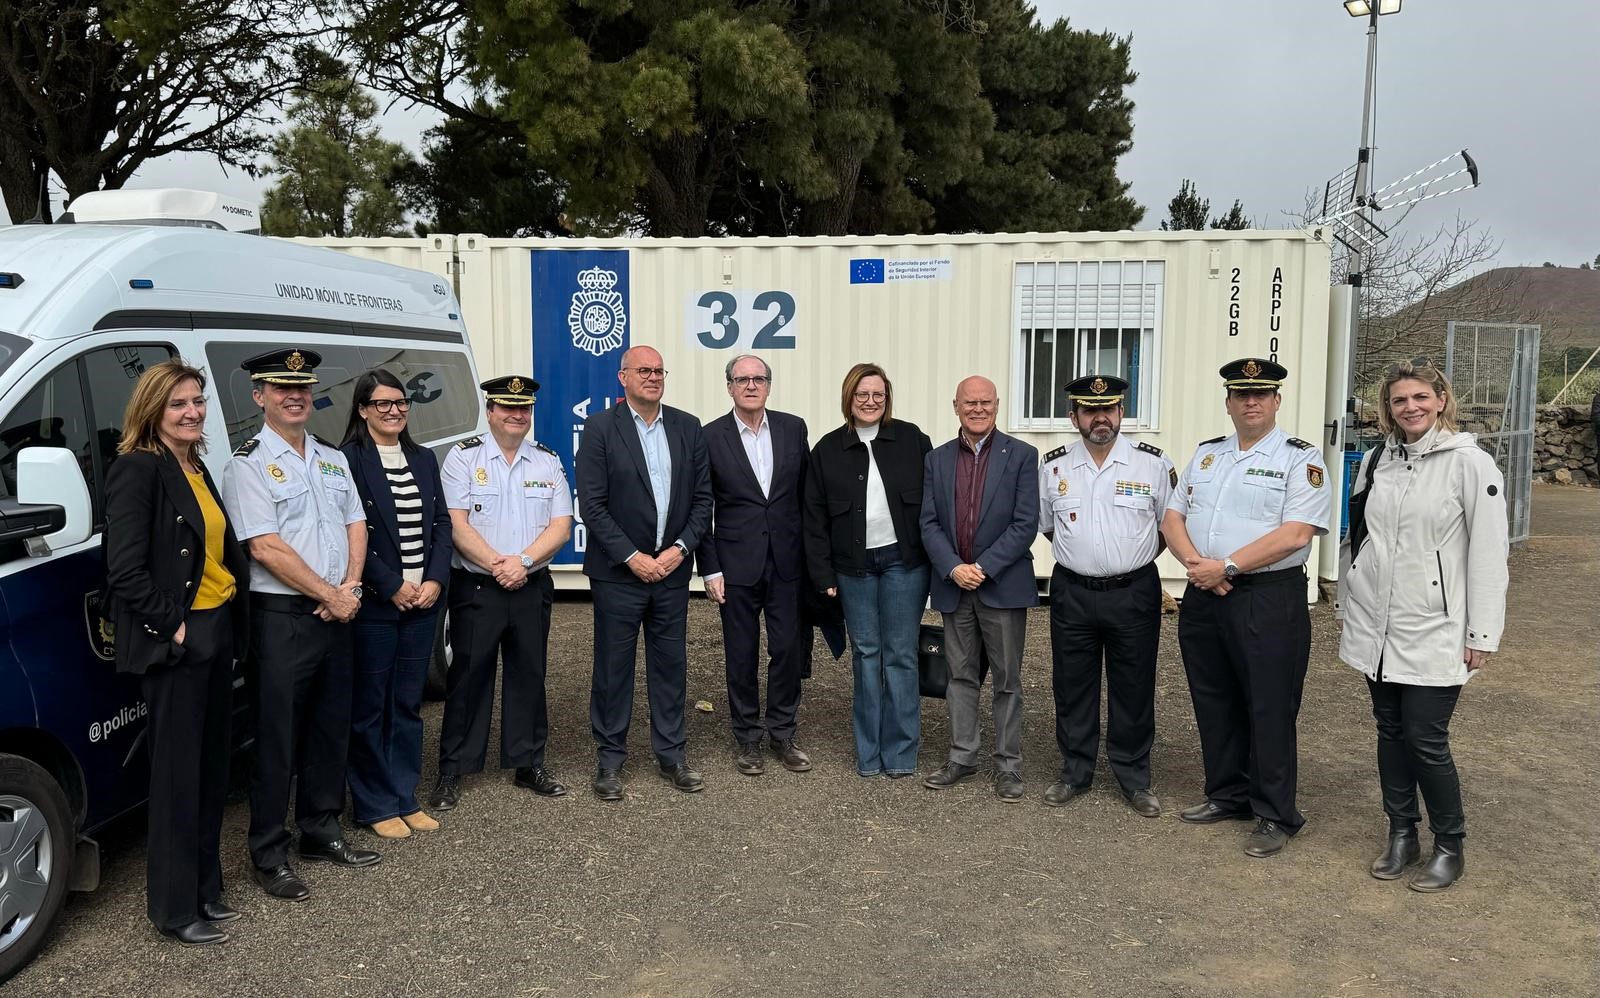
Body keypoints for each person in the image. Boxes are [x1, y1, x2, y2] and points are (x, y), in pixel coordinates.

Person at [1336, 359, 1508, 892]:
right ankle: (1401, 834)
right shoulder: (1376, 460)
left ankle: (1449, 844)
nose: (1409, 407)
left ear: (1440, 399)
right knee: (1389, 731)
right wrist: (1350, 596)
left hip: (1435, 625)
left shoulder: (1470, 464)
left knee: (1426, 738)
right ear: (1387, 409)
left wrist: (1482, 632)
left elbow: (1488, 552)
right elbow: (1358, 536)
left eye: (1419, 397)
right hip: (1377, 624)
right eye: (1397, 400)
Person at [221, 348, 379, 903]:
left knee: (329, 728)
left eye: (303, 388)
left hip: (338, 611)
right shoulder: (247, 463)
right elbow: (264, 547)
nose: (294, 396)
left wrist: (351, 588)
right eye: (280, 388)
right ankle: (269, 853)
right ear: (259, 396)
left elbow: (356, 522)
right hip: (285, 619)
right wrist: (329, 594)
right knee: (277, 741)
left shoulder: (332, 457)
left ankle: (321, 829)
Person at [104, 360, 249, 946]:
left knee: (213, 769)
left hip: (218, 632)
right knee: (175, 779)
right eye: (177, 404)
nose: (191, 412)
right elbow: (124, 571)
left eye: (197, 401)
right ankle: (172, 908)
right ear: (152, 410)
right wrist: (177, 628)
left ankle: (206, 890)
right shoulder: (137, 470)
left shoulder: (195, 465)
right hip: (180, 643)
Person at [1161, 357, 1330, 858]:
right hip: (1205, 591)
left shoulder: (1301, 459)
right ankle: (1227, 794)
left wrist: (1227, 566)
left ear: (1277, 401)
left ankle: (1275, 812)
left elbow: (1297, 533)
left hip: (1266, 597)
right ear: (1228, 402)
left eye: (1260, 394)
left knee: (1270, 705)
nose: (1250, 402)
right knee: (1214, 699)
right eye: (1240, 394)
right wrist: (1197, 564)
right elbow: (1174, 514)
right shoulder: (1208, 455)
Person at [429, 375, 573, 810]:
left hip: (530, 585)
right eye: (507, 407)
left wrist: (523, 563)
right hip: (479, 586)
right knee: (469, 677)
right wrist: (498, 564)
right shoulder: (462, 458)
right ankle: (454, 769)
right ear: (490, 411)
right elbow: (455, 523)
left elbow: (561, 526)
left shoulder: (546, 461)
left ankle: (528, 762)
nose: (517, 415)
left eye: (524, 408)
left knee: (530, 673)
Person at [576, 346, 713, 799]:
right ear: (623, 378)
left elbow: (702, 501)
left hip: (672, 571)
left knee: (670, 665)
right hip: (620, 573)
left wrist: (678, 550)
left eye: (659, 371)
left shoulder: (687, 427)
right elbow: (592, 506)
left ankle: (672, 755)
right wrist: (633, 557)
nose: (653, 378)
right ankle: (610, 759)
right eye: (643, 371)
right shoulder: (599, 429)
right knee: (613, 669)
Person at [1037, 374, 1173, 817]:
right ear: (1073, 416)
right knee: (1072, 685)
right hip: (1073, 591)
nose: (1101, 418)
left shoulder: (1151, 464)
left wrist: (1124, 559)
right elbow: (1048, 526)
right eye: (1090, 410)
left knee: (1133, 685)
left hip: (1133, 591)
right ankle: (1075, 771)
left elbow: (1167, 528)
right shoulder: (1053, 466)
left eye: (1110, 409)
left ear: (1120, 412)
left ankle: (1134, 777)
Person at [804, 363, 932, 779]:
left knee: (901, 656)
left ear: (887, 398)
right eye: (862, 395)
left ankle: (901, 753)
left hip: (903, 564)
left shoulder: (913, 440)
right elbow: (814, 519)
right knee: (866, 655)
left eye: (878, 394)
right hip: (853, 569)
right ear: (849, 398)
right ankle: (869, 753)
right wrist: (822, 576)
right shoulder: (827, 450)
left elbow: (932, 508)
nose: (871, 402)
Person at [340, 370, 453, 837]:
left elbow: (442, 526)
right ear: (363, 409)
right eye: (382, 403)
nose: (394, 410)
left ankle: (405, 796)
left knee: (407, 705)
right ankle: (373, 804)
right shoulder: (345, 460)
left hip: (422, 602)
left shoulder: (424, 459)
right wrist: (389, 584)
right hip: (376, 604)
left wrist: (434, 580)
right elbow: (347, 532)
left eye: (401, 402)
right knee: (370, 708)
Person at [918, 376, 1038, 801]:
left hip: (1001, 585)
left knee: (1007, 680)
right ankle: (962, 757)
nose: (978, 409)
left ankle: (1008, 766)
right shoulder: (936, 459)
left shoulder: (1023, 455)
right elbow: (928, 523)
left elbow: (1026, 523)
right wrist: (953, 568)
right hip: (955, 586)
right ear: (956, 406)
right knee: (960, 677)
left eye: (986, 402)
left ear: (997, 405)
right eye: (970, 402)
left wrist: (983, 567)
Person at [698, 354, 813, 776]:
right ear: (728, 386)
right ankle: (747, 737)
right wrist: (710, 568)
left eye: (758, 378)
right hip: (735, 565)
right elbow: (701, 507)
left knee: (786, 651)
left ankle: (782, 730)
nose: (751, 385)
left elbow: (806, 498)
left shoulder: (792, 427)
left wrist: (813, 561)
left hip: (787, 563)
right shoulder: (709, 436)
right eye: (742, 379)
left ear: (769, 385)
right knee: (740, 655)